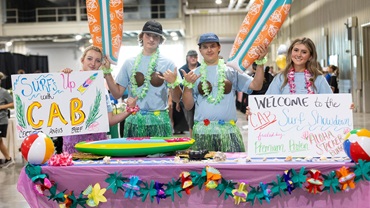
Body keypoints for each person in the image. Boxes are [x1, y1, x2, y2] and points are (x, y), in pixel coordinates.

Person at [181, 32, 267, 152]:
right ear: (200, 50)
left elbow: (256, 85)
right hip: (203, 133)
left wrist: (260, 63)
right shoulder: (194, 75)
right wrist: (188, 86)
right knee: (203, 170)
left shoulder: (231, 71)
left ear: (219, 48)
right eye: (205, 47)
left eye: (212, 46)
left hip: (229, 132)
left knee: (231, 170)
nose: (209, 50)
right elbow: (188, 105)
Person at [105, 20, 181, 137]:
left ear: (160, 40)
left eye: (155, 36)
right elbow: (116, 94)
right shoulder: (129, 63)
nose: (151, 39)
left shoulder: (168, 64)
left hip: (159, 122)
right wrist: (107, 73)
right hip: (134, 121)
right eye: (148, 35)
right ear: (142, 36)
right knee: (134, 155)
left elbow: (176, 99)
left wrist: (174, 83)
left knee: (162, 156)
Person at [61, 45, 137, 153]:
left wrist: (129, 111)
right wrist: (62, 79)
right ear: (82, 60)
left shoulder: (102, 88)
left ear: (100, 64)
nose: (93, 63)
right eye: (89, 58)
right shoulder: (68, 83)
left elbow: (109, 120)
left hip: (96, 144)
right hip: (74, 144)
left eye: (97, 61)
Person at [265, 37, 332, 95]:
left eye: (304, 52)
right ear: (291, 53)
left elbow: (329, 103)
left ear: (310, 57)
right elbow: (269, 103)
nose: (299, 54)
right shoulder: (280, 78)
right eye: (296, 50)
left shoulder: (318, 78)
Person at [0, 72, 15, 168]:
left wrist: (2, 107)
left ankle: (9, 158)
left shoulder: (3, 92)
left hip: (1, 120)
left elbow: (14, 103)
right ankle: (8, 159)